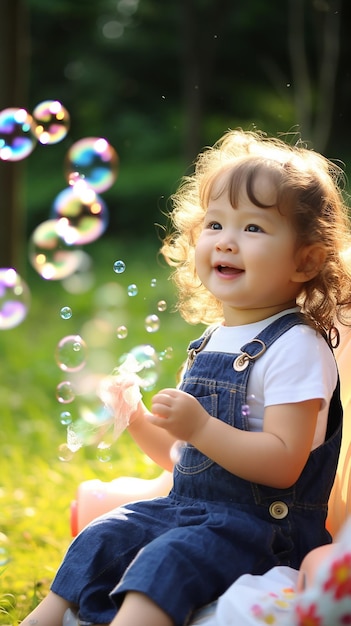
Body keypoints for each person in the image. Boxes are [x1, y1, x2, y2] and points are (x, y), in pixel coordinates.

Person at [21, 128, 351, 626]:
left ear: (306, 259)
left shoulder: (297, 347)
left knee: (164, 561)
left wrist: (199, 426)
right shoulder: (212, 341)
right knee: (102, 536)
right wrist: (137, 419)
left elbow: (284, 464)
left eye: (254, 229)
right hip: (191, 513)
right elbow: (186, 464)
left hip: (266, 530)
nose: (227, 242)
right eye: (215, 224)